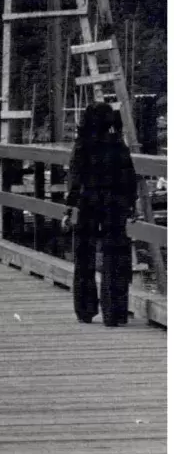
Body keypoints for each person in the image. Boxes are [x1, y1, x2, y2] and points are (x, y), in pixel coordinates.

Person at [62, 102, 138, 326]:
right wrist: (131, 204)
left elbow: (74, 179)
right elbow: (129, 176)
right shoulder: (117, 144)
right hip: (114, 204)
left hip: (87, 203)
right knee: (114, 256)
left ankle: (85, 309)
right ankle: (114, 312)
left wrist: (69, 207)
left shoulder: (82, 144)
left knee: (84, 257)